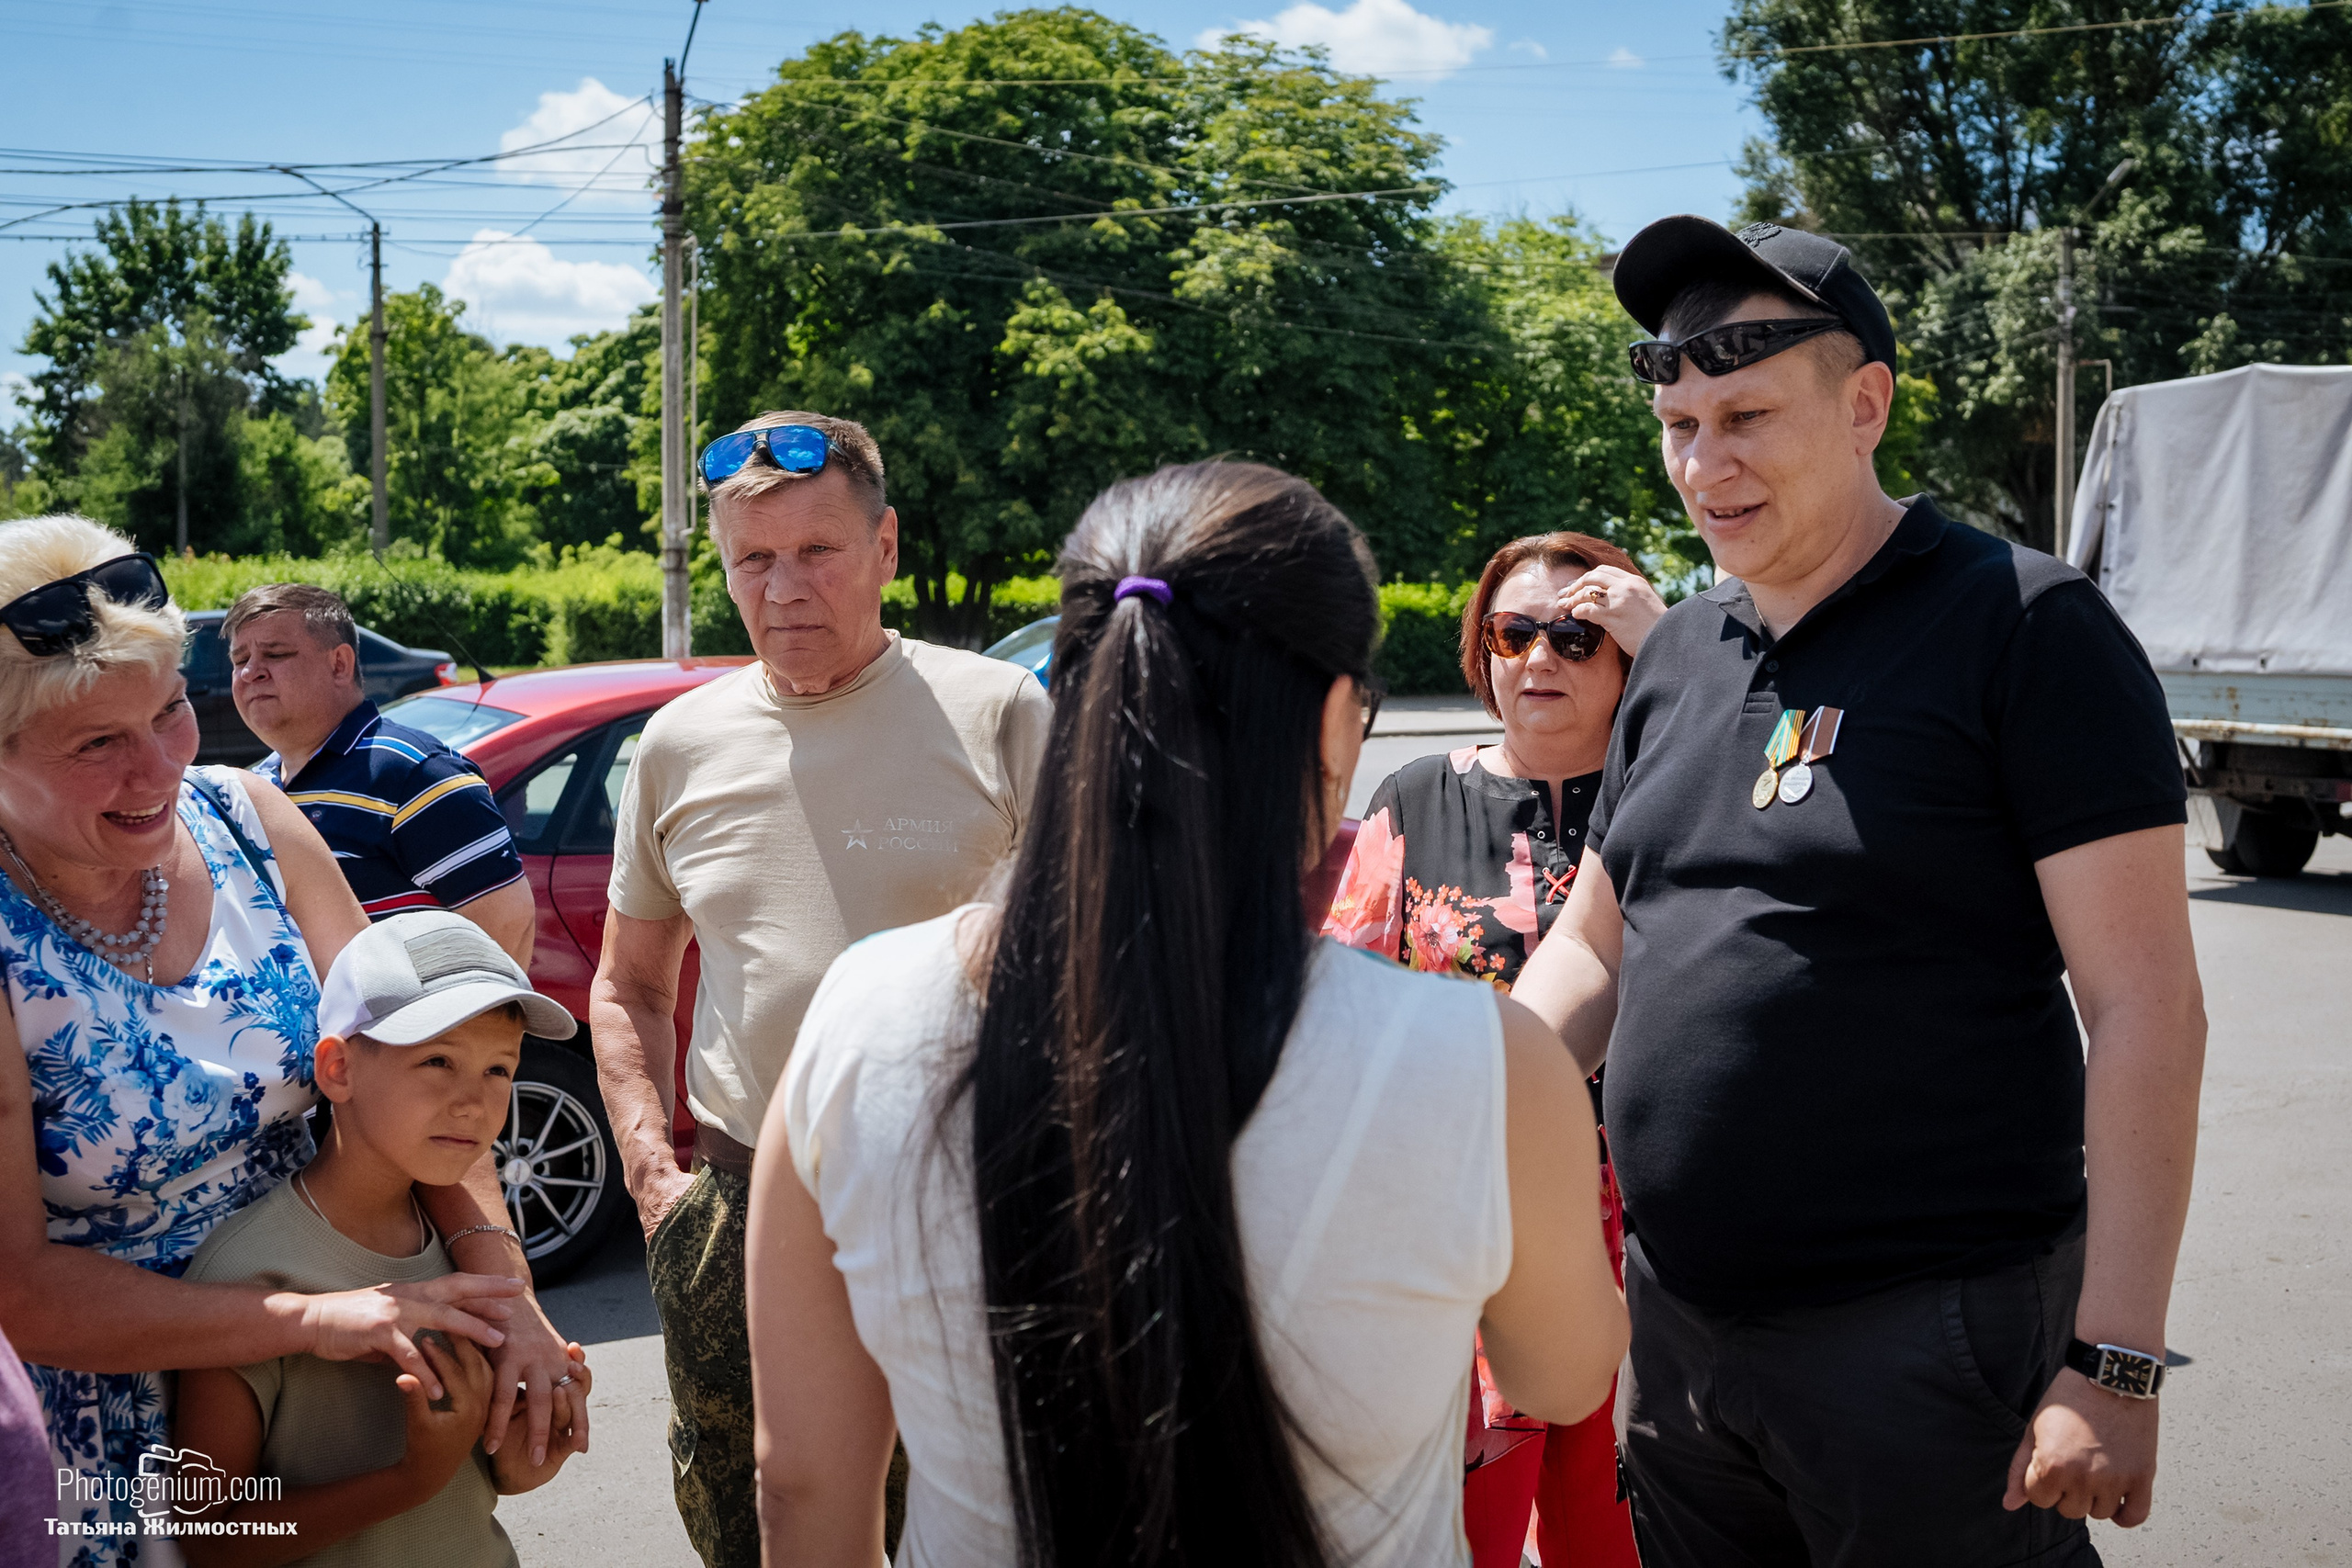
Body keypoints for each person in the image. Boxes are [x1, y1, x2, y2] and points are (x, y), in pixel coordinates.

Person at [745, 460, 1632, 1568]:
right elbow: (1565, 1376)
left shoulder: (857, 1011)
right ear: (1335, 725)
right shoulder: (1491, 1067)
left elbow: (802, 1485)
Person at [1511, 217, 2205, 1566]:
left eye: (1746, 417)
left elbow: (2145, 1006)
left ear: (1864, 405)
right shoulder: (1677, 651)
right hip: (1679, 1331)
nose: (1702, 465)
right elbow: (1596, 946)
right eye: (1679, 424)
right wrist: (1449, 1092)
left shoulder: (2021, 625)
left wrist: (2115, 1360)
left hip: (1925, 1343)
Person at [0, 516, 581, 1562]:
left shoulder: (253, 818)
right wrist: (314, 1319)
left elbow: (406, 1076)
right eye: (97, 743)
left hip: (339, 1381)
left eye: (171, 710)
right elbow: (22, 1290)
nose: (160, 770)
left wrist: (507, 1301)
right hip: (117, 1452)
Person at [593, 411, 1052, 1568]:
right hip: (736, 1203)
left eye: (817, 550)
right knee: (753, 1519)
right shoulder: (677, 744)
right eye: (752, 557)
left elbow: (1086, 969)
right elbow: (630, 985)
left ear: (885, 548)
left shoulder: (1001, 711)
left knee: (980, 1521)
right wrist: (654, 1182)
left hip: (964, 1198)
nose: (783, 586)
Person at [1324, 529, 1663, 1568]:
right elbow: (1343, 1014)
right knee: (1462, 1539)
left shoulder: (1676, 799)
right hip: (1460, 1233)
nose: (1540, 658)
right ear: (1483, 649)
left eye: (1577, 635)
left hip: (1654, 1248)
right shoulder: (1413, 797)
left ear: (1631, 659)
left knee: (1615, 1540)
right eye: (1515, 634)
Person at [175, 912, 586, 1567]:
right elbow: (205, 1538)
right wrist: (407, 1483)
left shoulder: (465, 1250)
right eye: (438, 1060)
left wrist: (516, 1452)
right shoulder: (248, 1274)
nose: (473, 1101)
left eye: (498, 1069)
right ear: (338, 1068)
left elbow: (474, 1484)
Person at [228, 583, 533, 963]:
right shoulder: (253, 788)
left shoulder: (418, 776)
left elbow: (507, 931)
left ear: (339, 664)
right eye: (239, 660)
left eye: (275, 654)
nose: (250, 673)